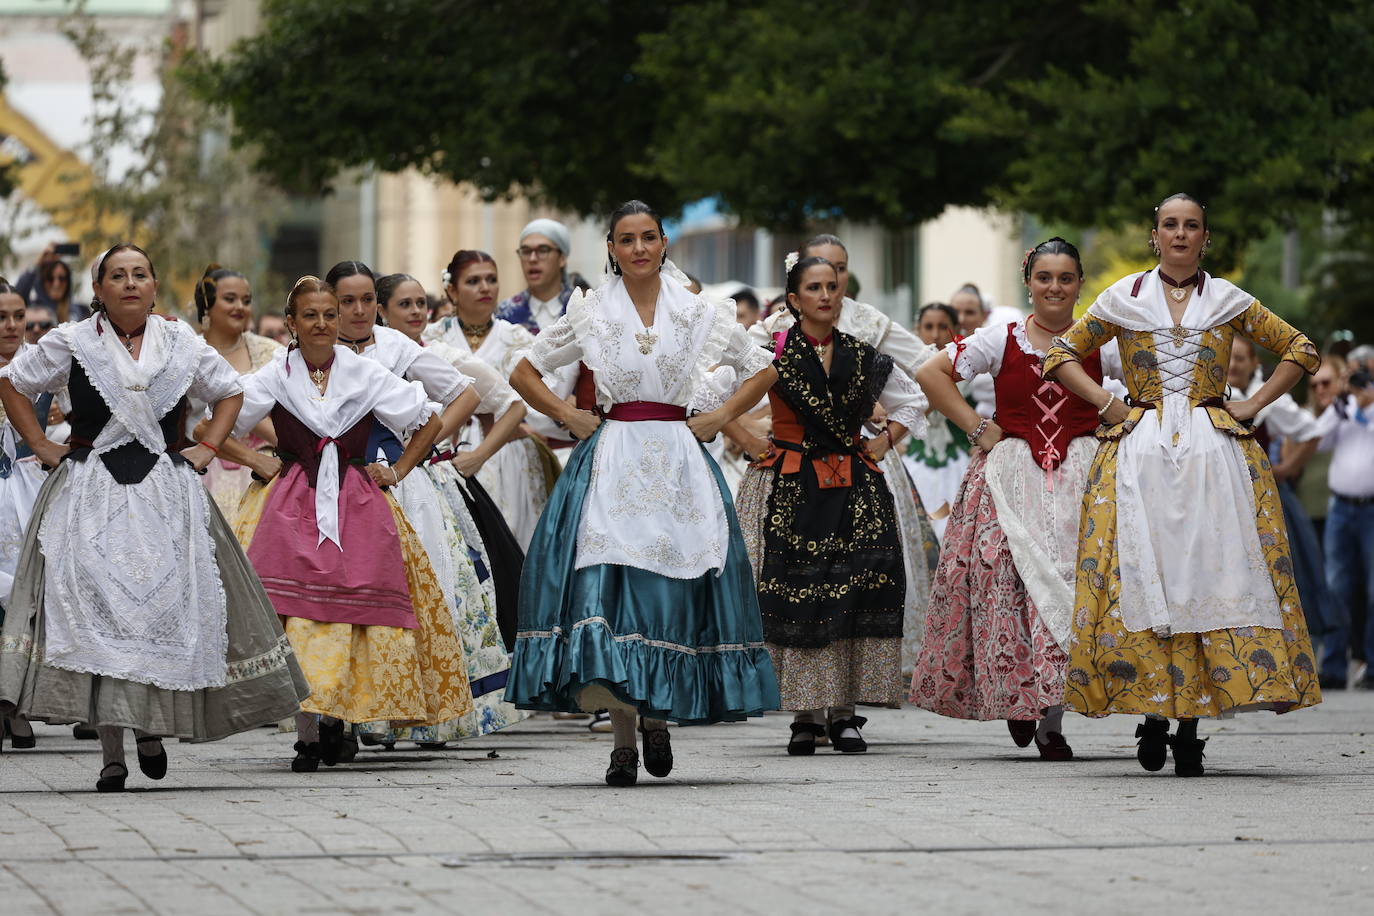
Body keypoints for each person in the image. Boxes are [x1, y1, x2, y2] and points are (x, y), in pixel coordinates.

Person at [0, 244, 309, 791]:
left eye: (139, 274)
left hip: (165, 493)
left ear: (154, 285)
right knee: (99, 613)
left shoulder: (180, 343)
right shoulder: (70, 342)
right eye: (116, 276)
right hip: (91, 491)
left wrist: (209, 446)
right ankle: (112, 752)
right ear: (98, 290)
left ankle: (151, 731)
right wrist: (40, 445)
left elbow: (230, 393)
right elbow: (11, 383)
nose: (129, 283)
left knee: (163, 605)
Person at [1042, 194, 1322, 777]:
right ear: (1154, 236)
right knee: (1148, 579)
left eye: (1190, 226)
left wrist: (1252, 403)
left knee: (1206, 573)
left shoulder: (1227, 300)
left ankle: (1191, 727)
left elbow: (1301, 349)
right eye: (1170, 225)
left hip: (1212, 453)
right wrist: (1107, 404)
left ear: (1205, 238)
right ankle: (1153, 714)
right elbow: (1061, 354)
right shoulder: (1124, 299)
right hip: (1140, 450)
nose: (1179, 234)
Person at [506, 200, 781, 786]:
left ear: (663, 243)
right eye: (625, 239)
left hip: (680, 460)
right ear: (610, 246)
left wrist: (722, 415)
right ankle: (625, 739)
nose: (637, 248)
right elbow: (523, 369)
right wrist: (567, 413)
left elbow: (765, 367)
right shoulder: (590, 309)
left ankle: (658, 717)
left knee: (671, 595)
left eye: (648, 237)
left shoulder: (700, 310)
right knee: (606, 599)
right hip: (611, 458)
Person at [230, 275, 471, 771]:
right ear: (292, 324)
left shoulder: (364, 373)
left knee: (348, 617)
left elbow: (427, 420)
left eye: (329, 314)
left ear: (339, 321)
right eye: (310, 315)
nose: (322, 323)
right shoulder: (275, 375)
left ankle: (335, 718)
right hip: (292, 502)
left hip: (355, 501)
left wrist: (399, 469)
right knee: (295, 618)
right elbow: (219, 419)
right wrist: (254, 460)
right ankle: (307, 733)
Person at [909, 238, 1119, 761]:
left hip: (1082, 480)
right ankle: (1021, 698)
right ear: (1029, 282)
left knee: (1072, 590)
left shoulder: (1105, 341)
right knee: (1009, 585)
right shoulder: (1000, 340)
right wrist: (978, 426)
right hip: (1009, 476)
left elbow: (1148, 381)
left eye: (1065, 278)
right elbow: (930, 373)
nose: (1054, 287)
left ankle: (1051, 718)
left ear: (1079, 283)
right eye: (1044, 277)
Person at [735, 255, 925, 754]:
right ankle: (804, 713)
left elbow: (913, 401)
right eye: (814, 288)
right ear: (794, 300)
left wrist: (881, 445)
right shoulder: (769, 352)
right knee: (798, 592)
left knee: (850, 591)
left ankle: (844, 713)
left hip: (854, 488)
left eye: (832, 287)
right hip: (794, 486)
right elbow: (711, 396)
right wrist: (753, 443)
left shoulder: (862, 356)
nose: (825, 295)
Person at [366, 271, 528, 741]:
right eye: (405, 305)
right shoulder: (356, 358)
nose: (417, 312)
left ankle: (440, 707)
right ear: (381, 310)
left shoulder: (441, 357)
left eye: (422, 303)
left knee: (440, 582)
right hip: (374, 478)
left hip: (426, 477)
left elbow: (503, 402)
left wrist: (459, 450)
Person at [425, 251, 560, 548]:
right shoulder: (432, 338)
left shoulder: (517, 338)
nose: (485, 288)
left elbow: (540, 393)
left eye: (491, 280)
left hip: (507, 451)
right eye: (473, 281)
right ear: (452, 290)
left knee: (513, 541)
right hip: (447, 452)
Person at [1227, 337, 1331, 647]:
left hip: (1265, 501)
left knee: (1283, 574)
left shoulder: (1269, 400)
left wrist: (1286, 468)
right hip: (1224, 500)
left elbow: (1312, 432)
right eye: (1228, 358)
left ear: (1254, 363)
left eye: (1241, 359)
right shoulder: (1212, 395)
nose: (1233, 365)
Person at [0, 278, 50, 750]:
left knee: (27, 595)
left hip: (28, 489)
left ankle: (17, 704)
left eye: (18, 316)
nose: (12, 326)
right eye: (2, 317)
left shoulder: (39, 364)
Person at [192, 265, 284, 518]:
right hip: (202, 469)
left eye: (246, 300)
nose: (240, 307)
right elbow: (194, 426)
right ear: (207, 305)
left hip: (266, 471)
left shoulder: (270, 351)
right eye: (230, 299)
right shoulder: (188, 351)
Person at [1310, 360, 1374, 690]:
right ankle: (1333, 668)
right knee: (1336, 587)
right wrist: (1342, 402)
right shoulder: (1343, 407)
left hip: (1371, 511)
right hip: (1341, 509)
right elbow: (1318, 439)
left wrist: (1365, 406)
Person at [904, 302, 970, 540]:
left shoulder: (973, 369)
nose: (935, 334)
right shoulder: (901, 372)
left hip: (961, 465)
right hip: (915, 463)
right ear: (917, 330)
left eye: (943, 326)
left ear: (956, 329)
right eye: (928, 326)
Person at [496, 218, 574, 333]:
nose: (532, 259)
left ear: (562, 258)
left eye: (542, 250)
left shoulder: (584, 310)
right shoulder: (504, 313)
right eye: (526, 251)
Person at [15, 242, 90, 324]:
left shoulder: (81, 312)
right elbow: (17, 296)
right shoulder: (32, 309)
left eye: (61, 278)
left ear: (68, 282)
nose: (56, 284)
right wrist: (38, 264)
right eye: (50, 278)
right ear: (42, 282)